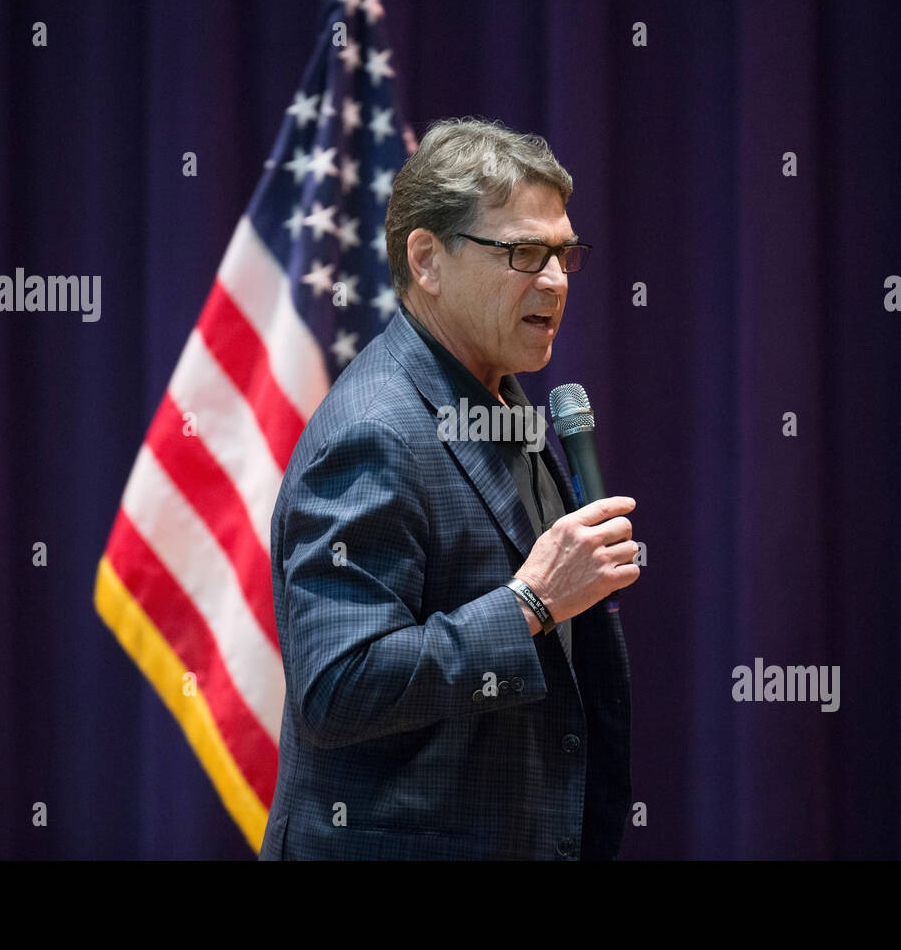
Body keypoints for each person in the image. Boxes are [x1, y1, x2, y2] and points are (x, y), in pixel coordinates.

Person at [258, 117, 639, 860]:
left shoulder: (494, 391)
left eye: (563, 254)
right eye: (525, 253)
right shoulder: (373, 432)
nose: (556, 280)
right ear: (427, 260)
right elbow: (336, 687)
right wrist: (530, 604)